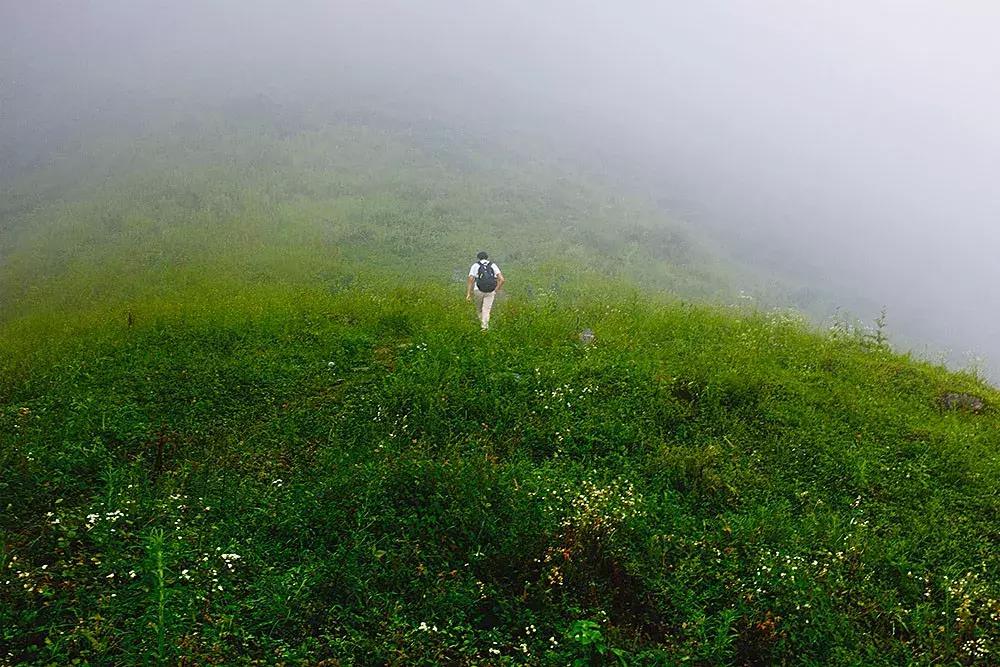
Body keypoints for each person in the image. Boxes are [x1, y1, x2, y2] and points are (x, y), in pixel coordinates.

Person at [466, 251, 505, 330]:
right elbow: (502, 280)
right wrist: (495, 290)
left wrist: (468, 294)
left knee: (479, 309)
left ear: (478, 258)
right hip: (490, 291)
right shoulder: (493, 265)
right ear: (487, 257)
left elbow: (471, 279)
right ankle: (485, 328)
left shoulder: (475, 265)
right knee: (486, 310)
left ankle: (482, 326)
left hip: (478, 290)